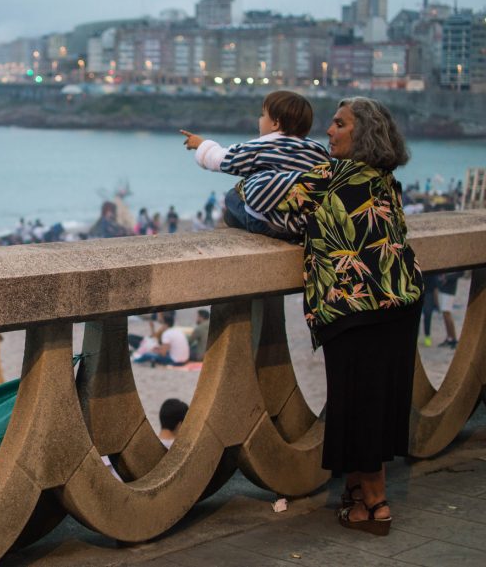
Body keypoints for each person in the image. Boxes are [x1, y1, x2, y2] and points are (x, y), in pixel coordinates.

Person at [249, 97, 423, 536]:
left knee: (355, 402)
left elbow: (261, 199)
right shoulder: (386, 179)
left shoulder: (328, 175)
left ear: (360, 133)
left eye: (338, 124)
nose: (328, 131)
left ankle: (377, 502)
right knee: (380, 402)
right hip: (399, 303)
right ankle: (359, 494)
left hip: (351, 305)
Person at [181, 91, 329, 241]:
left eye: (262, 115)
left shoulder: (264, 146)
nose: (259, 119)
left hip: (268, 224)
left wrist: (201, 145)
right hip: (302, 227)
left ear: (275, 124)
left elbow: (225, 159)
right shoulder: (317, 150)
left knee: (232, 197)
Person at [436, 271, 462, 348]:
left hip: (450, 289)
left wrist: (446, 277)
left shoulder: (456, 261)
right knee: (445, 314)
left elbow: (460, 273)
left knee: (447, 313)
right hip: (442, 288)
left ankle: (454, 339)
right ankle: (449, 338)